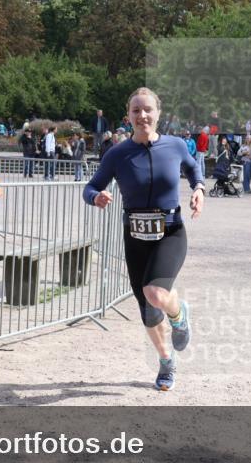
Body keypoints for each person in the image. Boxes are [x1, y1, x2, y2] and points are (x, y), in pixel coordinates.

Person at [82, 87, 204, 391]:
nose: (142, 115)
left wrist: (199, 189)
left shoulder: (175, 145)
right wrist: (96, 196)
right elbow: (90, 187)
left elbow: (193, 168)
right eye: (136, 110)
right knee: (148, 312)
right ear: (128, 116)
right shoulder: (117, 154)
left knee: (156, 293)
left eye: (148, 109)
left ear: (158, 114)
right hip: (135, 237)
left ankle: (179, 315)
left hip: (170, 232)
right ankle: (166, 361)